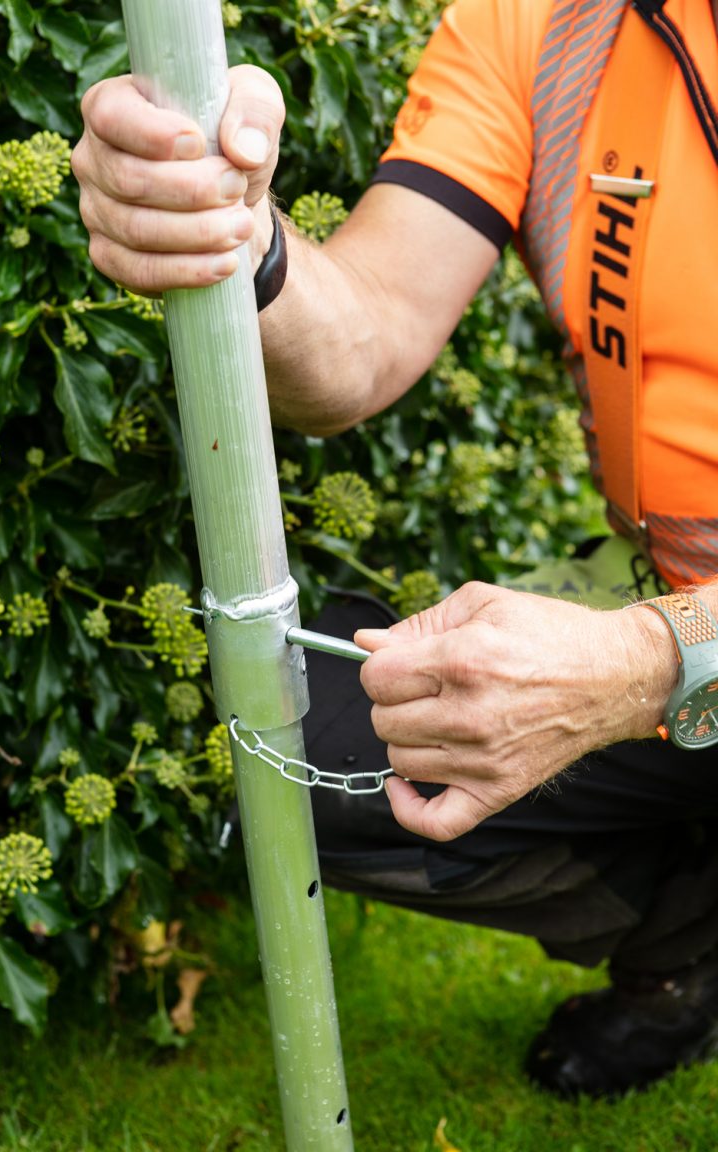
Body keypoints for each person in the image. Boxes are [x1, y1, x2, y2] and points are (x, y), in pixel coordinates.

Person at [72, 0, 718, 1099]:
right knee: (314, 741)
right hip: (684, 596)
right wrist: (240, 232)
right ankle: (691, 952)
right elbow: (364, 332)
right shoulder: (551, 23)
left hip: (685, 640)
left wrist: (648, 665)